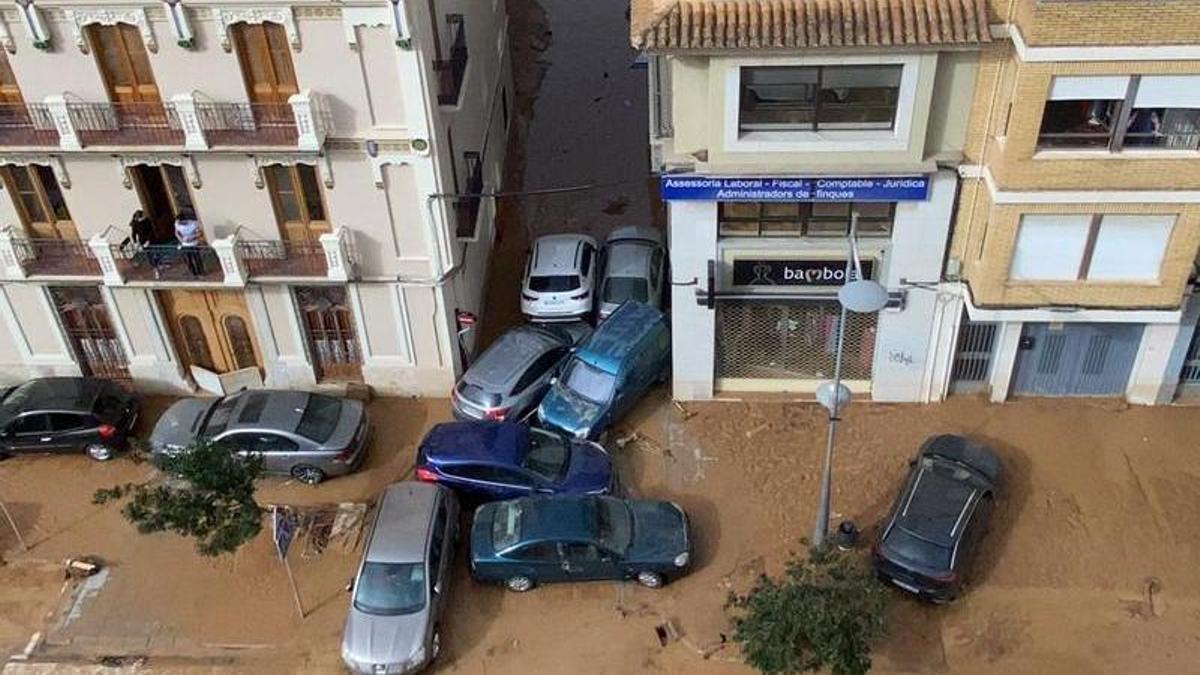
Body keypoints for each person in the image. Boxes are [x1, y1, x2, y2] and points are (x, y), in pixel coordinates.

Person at [174, 207, 205, 276]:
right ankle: (193, 272)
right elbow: (176, 233)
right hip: (184, 244)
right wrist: (181, 239)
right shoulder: (177, 223)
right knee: (188, 259)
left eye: (181, 222)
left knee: (196, 258)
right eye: (178, 222)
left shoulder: (193, 224)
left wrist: (192, 237)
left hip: (193, 243)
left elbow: (200, 233)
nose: (179, 223)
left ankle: (200, 272)